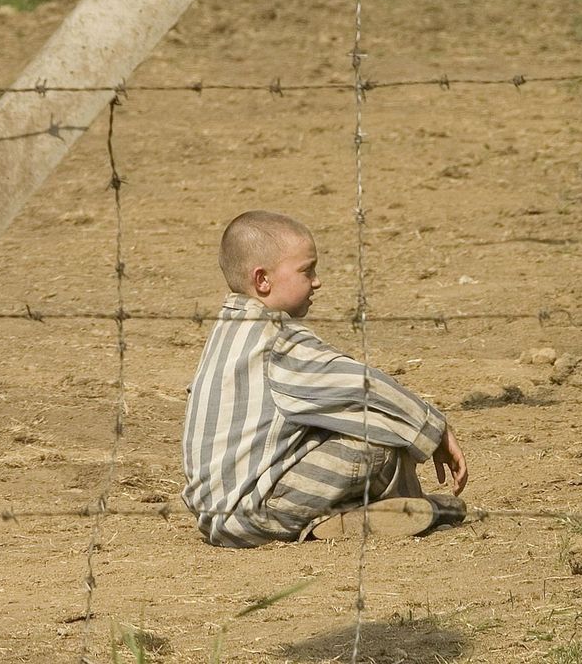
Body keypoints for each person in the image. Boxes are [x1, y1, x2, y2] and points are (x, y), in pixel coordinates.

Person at [180, 210, 469, 545]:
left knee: (338, 421)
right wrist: (435, 428)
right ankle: (403, 509)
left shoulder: (227, 331)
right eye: (307, 270)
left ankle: (344, 518)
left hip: (215, 516)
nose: (317, 281)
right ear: (262, 280)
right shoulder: (276, 341)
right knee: (378, 432)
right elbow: (360, 385)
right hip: (255, 512)